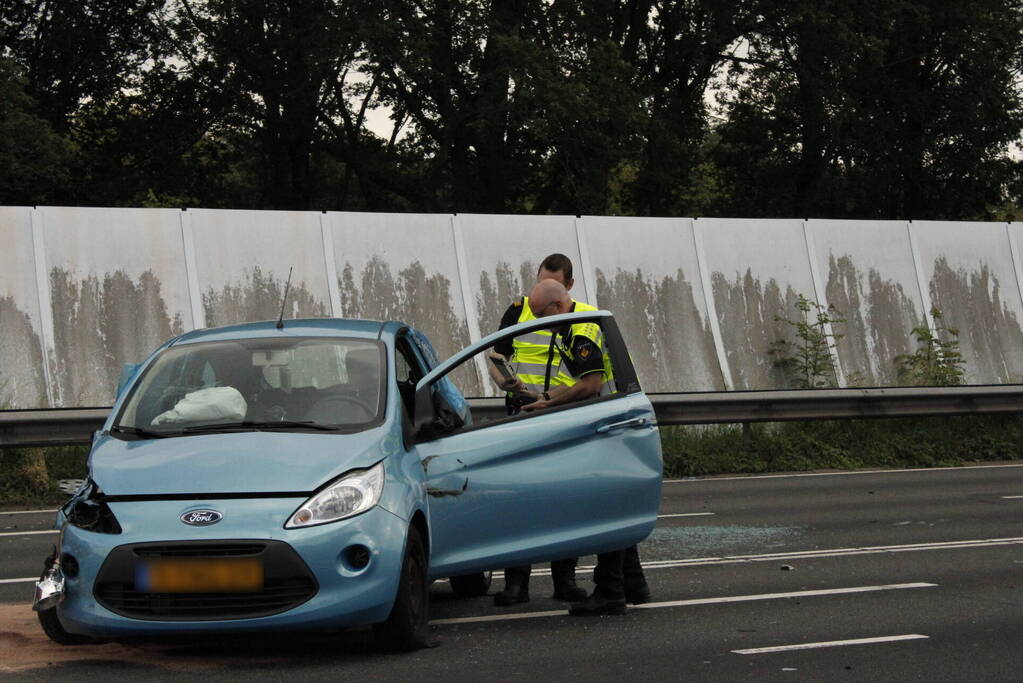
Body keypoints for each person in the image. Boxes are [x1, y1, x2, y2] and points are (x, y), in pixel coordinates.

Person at [522, 279, 651, 617]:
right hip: (616, 420)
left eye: (538, 316)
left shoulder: (579, 332)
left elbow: (590, 384)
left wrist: (548, 401)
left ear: (555, 308)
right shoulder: (576, 325)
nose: (537, 324)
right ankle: (633, 582)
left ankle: (610, 590)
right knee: (618, 506)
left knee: (606, 509)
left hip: (611, 425)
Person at [489, 253, 588, 606]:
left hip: (563, 415)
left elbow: (587, 376)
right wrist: (505, 383)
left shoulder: (583, 316)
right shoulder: (518, 310)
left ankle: (565, 580)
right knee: (519, 502)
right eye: (539, 281)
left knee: (564, 502)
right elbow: (495, 355)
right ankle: (517, 584)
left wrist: (552, 398)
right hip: (522, 414)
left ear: (569, 286)